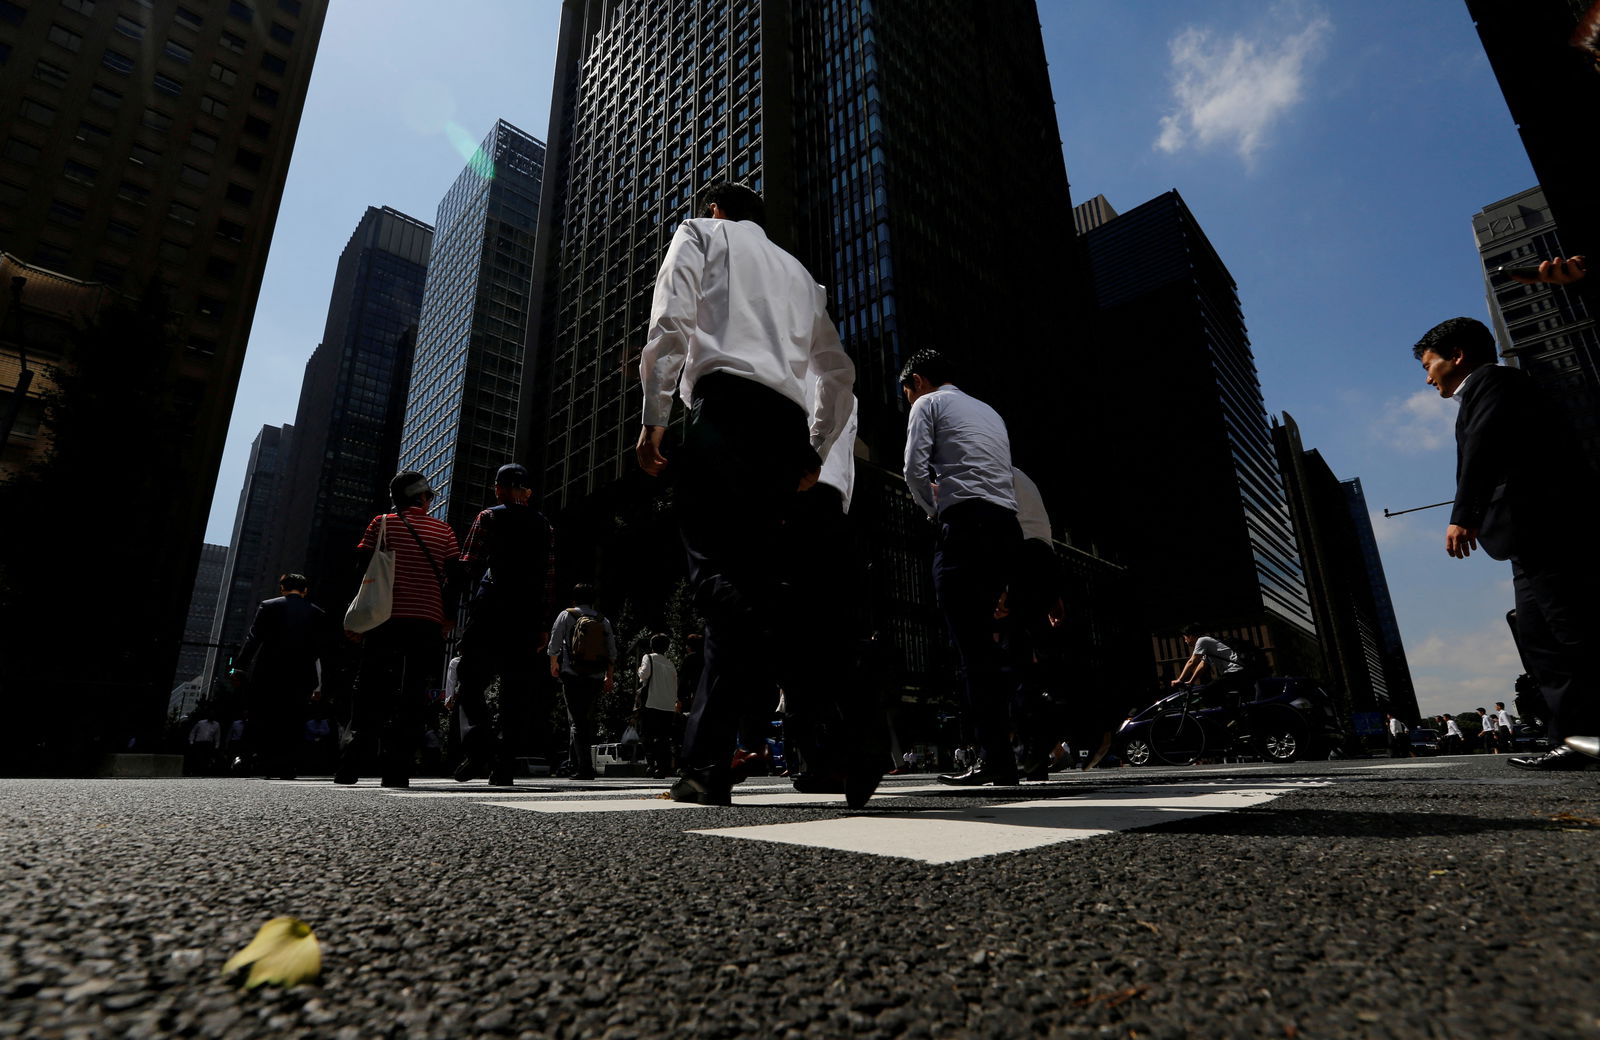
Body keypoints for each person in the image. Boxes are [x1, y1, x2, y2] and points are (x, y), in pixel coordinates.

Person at [635, 181, 854, 806]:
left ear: (716, 210)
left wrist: (654, 419)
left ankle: (707, 765)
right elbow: (836, 370)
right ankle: (828, 743)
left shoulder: (701, 235)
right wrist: (815, 447)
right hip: (786, 427)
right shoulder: (801, 275)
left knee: (713, 577)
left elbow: (671, 320)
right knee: (764, 582)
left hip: (726, 413)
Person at [1414, 316, 1600, 770]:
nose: (1426, 377)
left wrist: (1464, 516)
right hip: (1523, 539)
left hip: (1550, 529)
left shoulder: (1497, 382)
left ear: (1457, 356)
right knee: (1541, 642)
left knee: (1574, 633)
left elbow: (1484, 446)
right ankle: (1576, 741)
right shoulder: (1481, 393)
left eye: (1429, 364)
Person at [900, 348, 1025, 787]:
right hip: (1006, 528)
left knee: (970, 648)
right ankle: (1006, 754)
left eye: (906, 391)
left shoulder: (927, 404)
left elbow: (913, 469)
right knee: (990, 650)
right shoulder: (990, 412)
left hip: (965, 527)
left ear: (916, 380)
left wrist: (933, 511)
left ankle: (994, 759)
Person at [337, 471, 460, 789]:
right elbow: (455, 578)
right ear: (421, 496)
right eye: (429, 497)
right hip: (427, 621)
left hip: (384, 618)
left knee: (370, 688)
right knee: (414, 693)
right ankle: (398, 769)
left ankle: (351, 763)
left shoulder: (382, 523)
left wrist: (358, 619)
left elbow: (361, 567)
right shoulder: (444, 530)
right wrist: (448, 617)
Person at [452, 463, 554, 787]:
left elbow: (469, 564)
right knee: (516, 691)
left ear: (497, 489)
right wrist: (542, 624)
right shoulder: (544, 526)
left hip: (490, 608)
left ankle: (480, 744)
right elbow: (548, 580)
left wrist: (448, 607)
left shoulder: (489, 517)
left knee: (469, 679)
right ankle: (504, 765)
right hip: (526, 615)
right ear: (527, 492)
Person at [236, 573, 334, 779]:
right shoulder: (317, 613)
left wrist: (240, 666)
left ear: (282, 588)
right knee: (294, 719)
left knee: (267, 715)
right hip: (302, 673)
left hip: (269, 671)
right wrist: (321, 682)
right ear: (305, 590)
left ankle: (264, 761)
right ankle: (287, 765)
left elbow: (254, 637)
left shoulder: (268, 606)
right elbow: (323, 650)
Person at [547, 584, 617, 781]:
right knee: (584, 719)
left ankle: (584, 768)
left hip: (572, 674)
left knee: (577, 721)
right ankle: (575, 764)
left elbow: (554, 643)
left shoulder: (566, 615)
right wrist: (609, 676)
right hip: (595, 676)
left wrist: (554, 664)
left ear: (574, 599)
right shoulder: (603, 620)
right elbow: (611, 652)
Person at [635, 633, 678, 779]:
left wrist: (639, 670)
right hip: (668, 705)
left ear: (652, 645)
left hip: (652, 702)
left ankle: (651, 764)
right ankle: (662, 767)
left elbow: (644, 674)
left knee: (646, 735)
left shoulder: (648, 657)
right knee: (663, 737)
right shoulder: (670, 663)